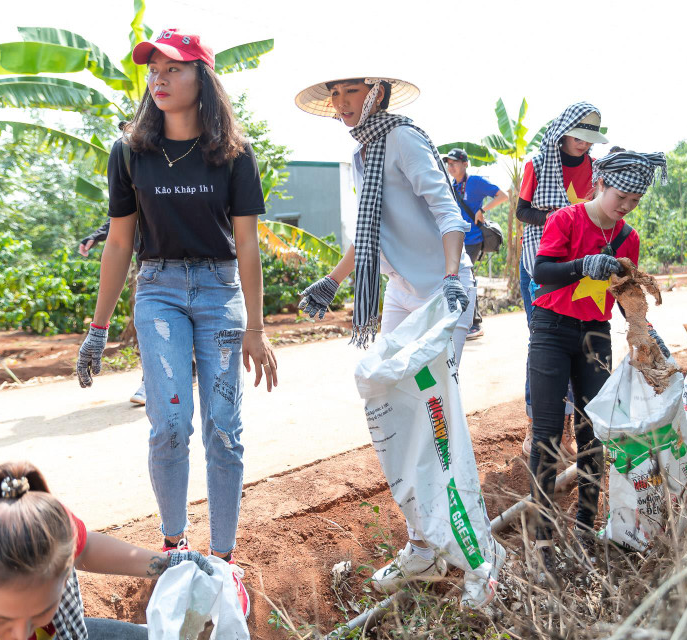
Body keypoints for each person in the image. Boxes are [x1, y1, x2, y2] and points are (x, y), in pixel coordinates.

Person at [294, 75, 504, 607]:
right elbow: (372, 235)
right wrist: (333, 281)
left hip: (442, 296)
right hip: (403, 293)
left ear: (377, 93)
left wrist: (455, 279)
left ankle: (483, 558)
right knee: (397, 411)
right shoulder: (365, 152)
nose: (341, 105)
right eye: (334, 96)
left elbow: (446, 213)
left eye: (350, 93)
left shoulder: (404, 139)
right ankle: (423, 544)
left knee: (439, 421)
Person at [75, 28, 277, 564]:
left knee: (224, 430)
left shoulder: (233, 154)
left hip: (220, 291)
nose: (160, 79)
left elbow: (248, 243)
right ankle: (174, 545)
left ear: (202, 78)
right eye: (154, 70)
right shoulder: (129, 152)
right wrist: (97, 331)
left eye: (175, 69)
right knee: (169, 425)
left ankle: (225, 558)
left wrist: (256, 327)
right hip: (158, 290)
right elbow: (119, 243)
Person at [527, 150, 669, 580]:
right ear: (601, 182)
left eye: (634, 200)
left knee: (594, 437)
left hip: (595, 335)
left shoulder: (629, 238)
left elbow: (627, 296)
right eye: (621, 195)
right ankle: (543, 542)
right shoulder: (566, 220)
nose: (625, 206)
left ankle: (585, 531)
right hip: (551, 331)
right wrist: (581, 266)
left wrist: (648, 335)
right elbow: (541, 272)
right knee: (548, 437)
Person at [0, 461, 217, 640]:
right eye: (1, 619)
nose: (20, 635)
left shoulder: (51, 532)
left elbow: (86, 547)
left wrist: (167, 563)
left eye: (39, 612)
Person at [516, 103, 608, 458]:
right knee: (543, 344)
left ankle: (567, 431)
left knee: (574, 342)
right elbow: (522, 211)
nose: (584, 145)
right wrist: (556, 216)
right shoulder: (536, 165)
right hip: (538, 263)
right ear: (564, 132)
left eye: (589, 140)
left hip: (577, 265)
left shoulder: (594, 169)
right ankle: (535, 427)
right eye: (579, 138)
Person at [77, 220, 147, 405]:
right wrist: (96, 236)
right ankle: (150, 381)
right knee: (153, 328)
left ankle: (189, 368)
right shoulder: (137, 192)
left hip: (209, 267)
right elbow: (121, 217)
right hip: (151, 269)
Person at [443, 148, 508, 340]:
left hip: (472, 240)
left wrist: (483, 210)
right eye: (449, 163)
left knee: (466, 279)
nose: (450, 166)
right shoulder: (451, 186)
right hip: (456, 240)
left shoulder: (476, 182)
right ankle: (463, 321)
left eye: (454, 162)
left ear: (465, 164)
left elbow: (503, 195)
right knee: (457, 279)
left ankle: (475, 323)